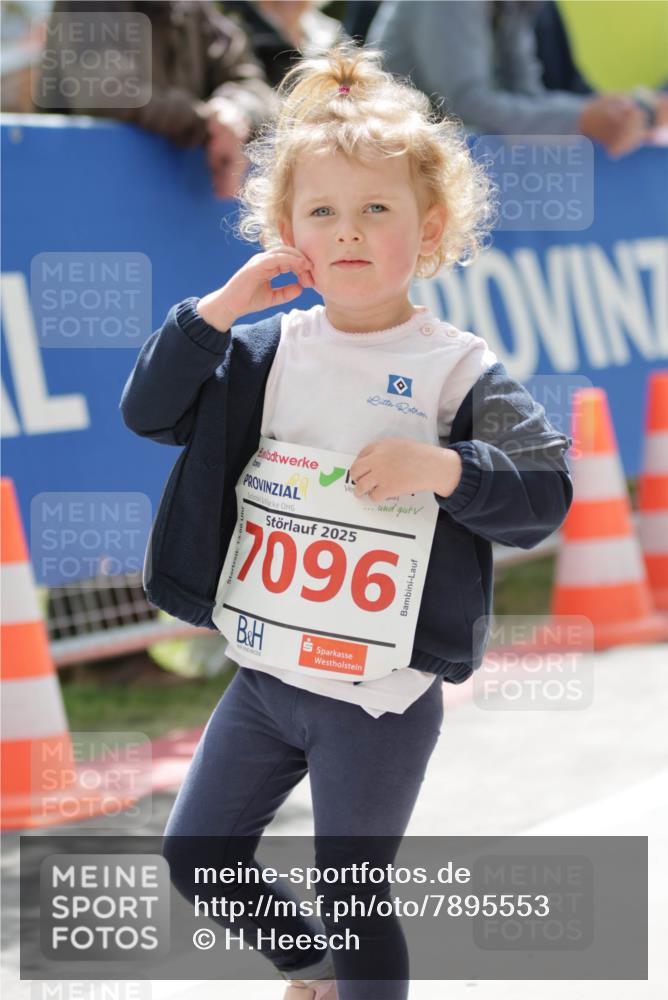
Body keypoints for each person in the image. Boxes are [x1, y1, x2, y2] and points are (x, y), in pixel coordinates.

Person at [120, 40, 573, 1000]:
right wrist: (226, 301)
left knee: (356, 896)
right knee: (198, 856)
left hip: (379, 693)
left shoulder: (458, 368)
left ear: (433, 226)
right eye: (323, 212)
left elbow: (543, 494)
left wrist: (446, 467)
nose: (351, 232)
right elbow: (151, 411)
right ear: (288, 229)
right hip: (265, 673)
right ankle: (314, 969)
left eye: (378, 209)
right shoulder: (263, 346)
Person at [34, 0, 280, 198]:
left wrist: (235, 112)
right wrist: (209, 123)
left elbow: (254, 87)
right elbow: (107, 93)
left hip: (178, 211)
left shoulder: (196, 9)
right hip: (88, 199)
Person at [366, 0, 665, 158]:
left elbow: (529, 96)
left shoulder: (512, 5)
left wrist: (621, 111)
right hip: (397, 165)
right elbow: (467, 104)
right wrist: (582, 118)